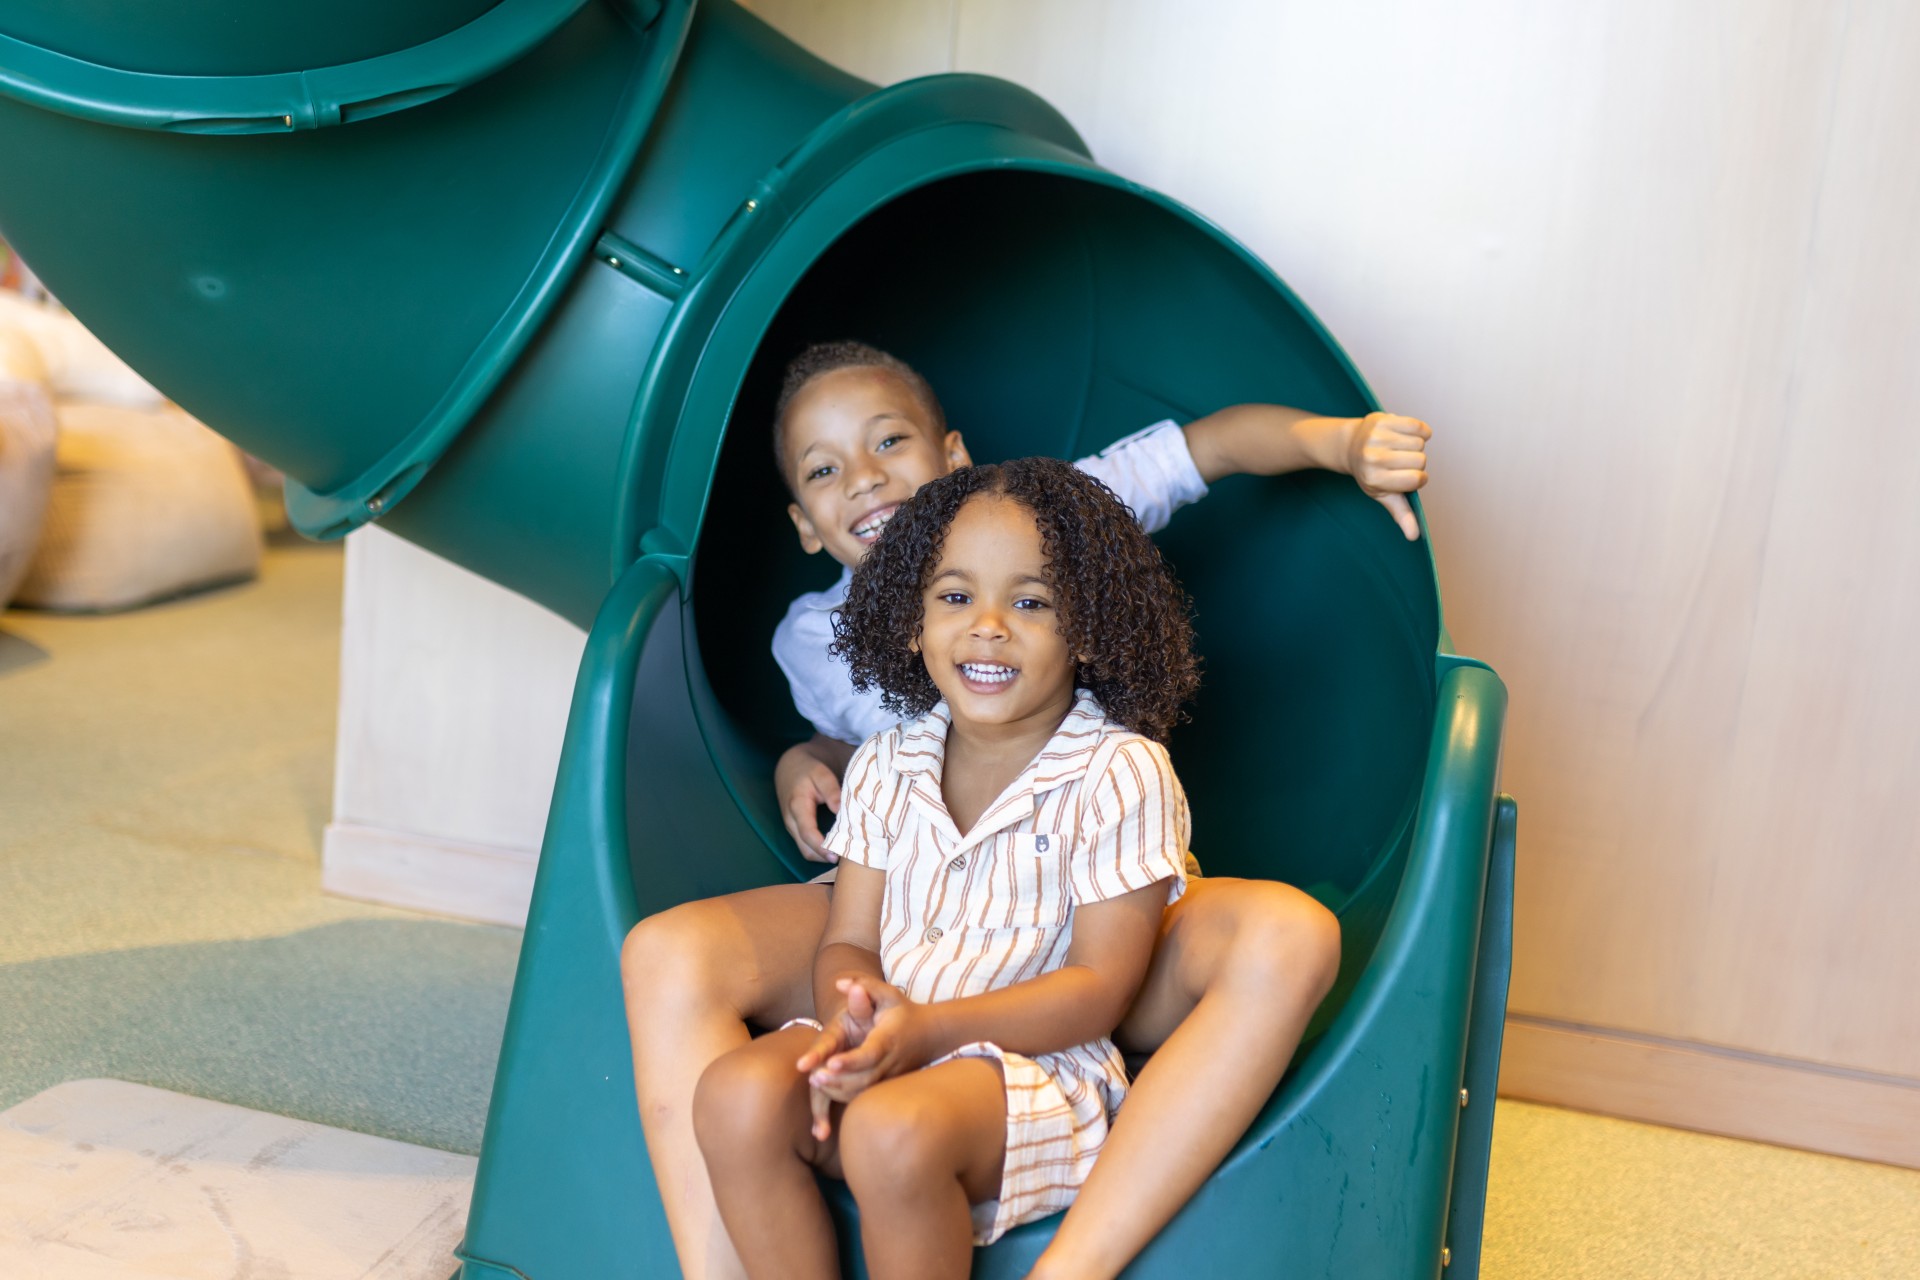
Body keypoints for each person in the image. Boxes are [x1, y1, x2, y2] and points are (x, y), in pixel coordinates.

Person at [623, 341, 1430, 1279]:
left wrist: (1344, 442)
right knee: (707, 1026)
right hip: (928, 907)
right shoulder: (822, 649)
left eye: (890, 443)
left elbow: (1207, 447)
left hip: (1076, 897)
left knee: (1280, 937)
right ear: (807, 525)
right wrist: (805, 759)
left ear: (954, 455)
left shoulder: (1062, 518)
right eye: (828, 471)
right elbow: (864, 763)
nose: (868, 481)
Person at [694, 458, 1200, 1279]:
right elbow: (848, 939)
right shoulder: (889, 763)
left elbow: (1100, 987)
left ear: (1090, 628)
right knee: (735, 1096)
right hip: (898, 1038)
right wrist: (850, 1026)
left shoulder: (1120, 771)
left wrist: (927, 1033)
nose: (988, 626)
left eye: (1031, 602)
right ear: (910, 622)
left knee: (892, 1129)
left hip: (1031, 1072)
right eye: (956, 597)